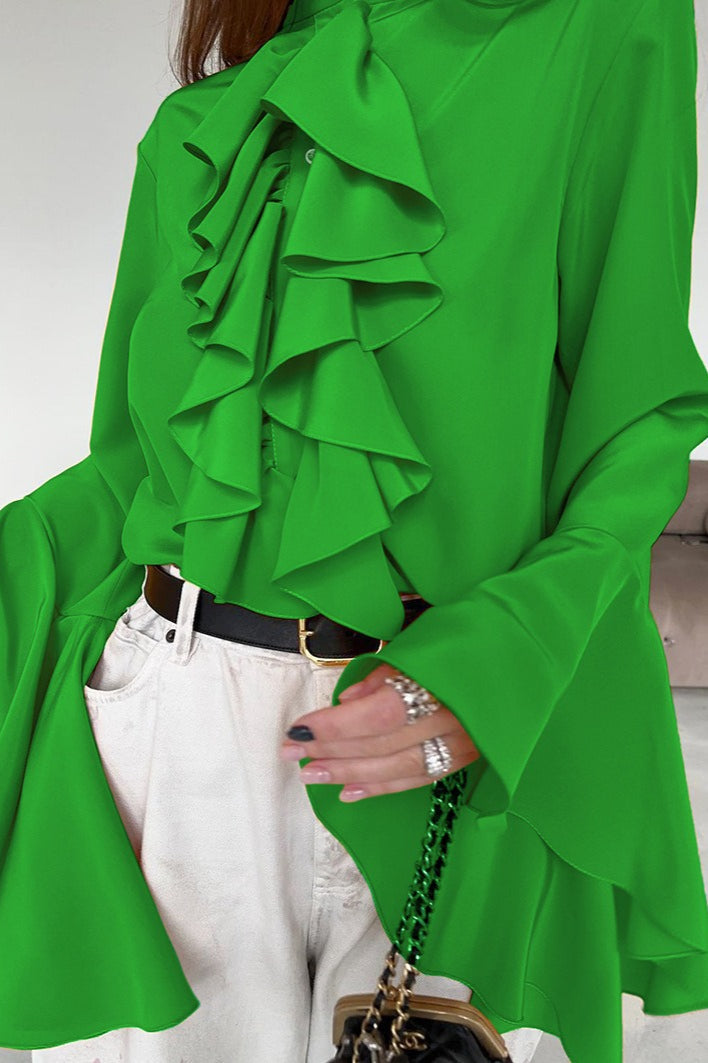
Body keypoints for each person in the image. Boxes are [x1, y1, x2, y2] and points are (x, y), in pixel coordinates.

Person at [2, 0, 708, 1060]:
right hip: (175, 718)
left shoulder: (599, 27)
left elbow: (636, 418)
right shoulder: (207, 120)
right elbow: (138, 472)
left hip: (442, 730)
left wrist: (499, 668)